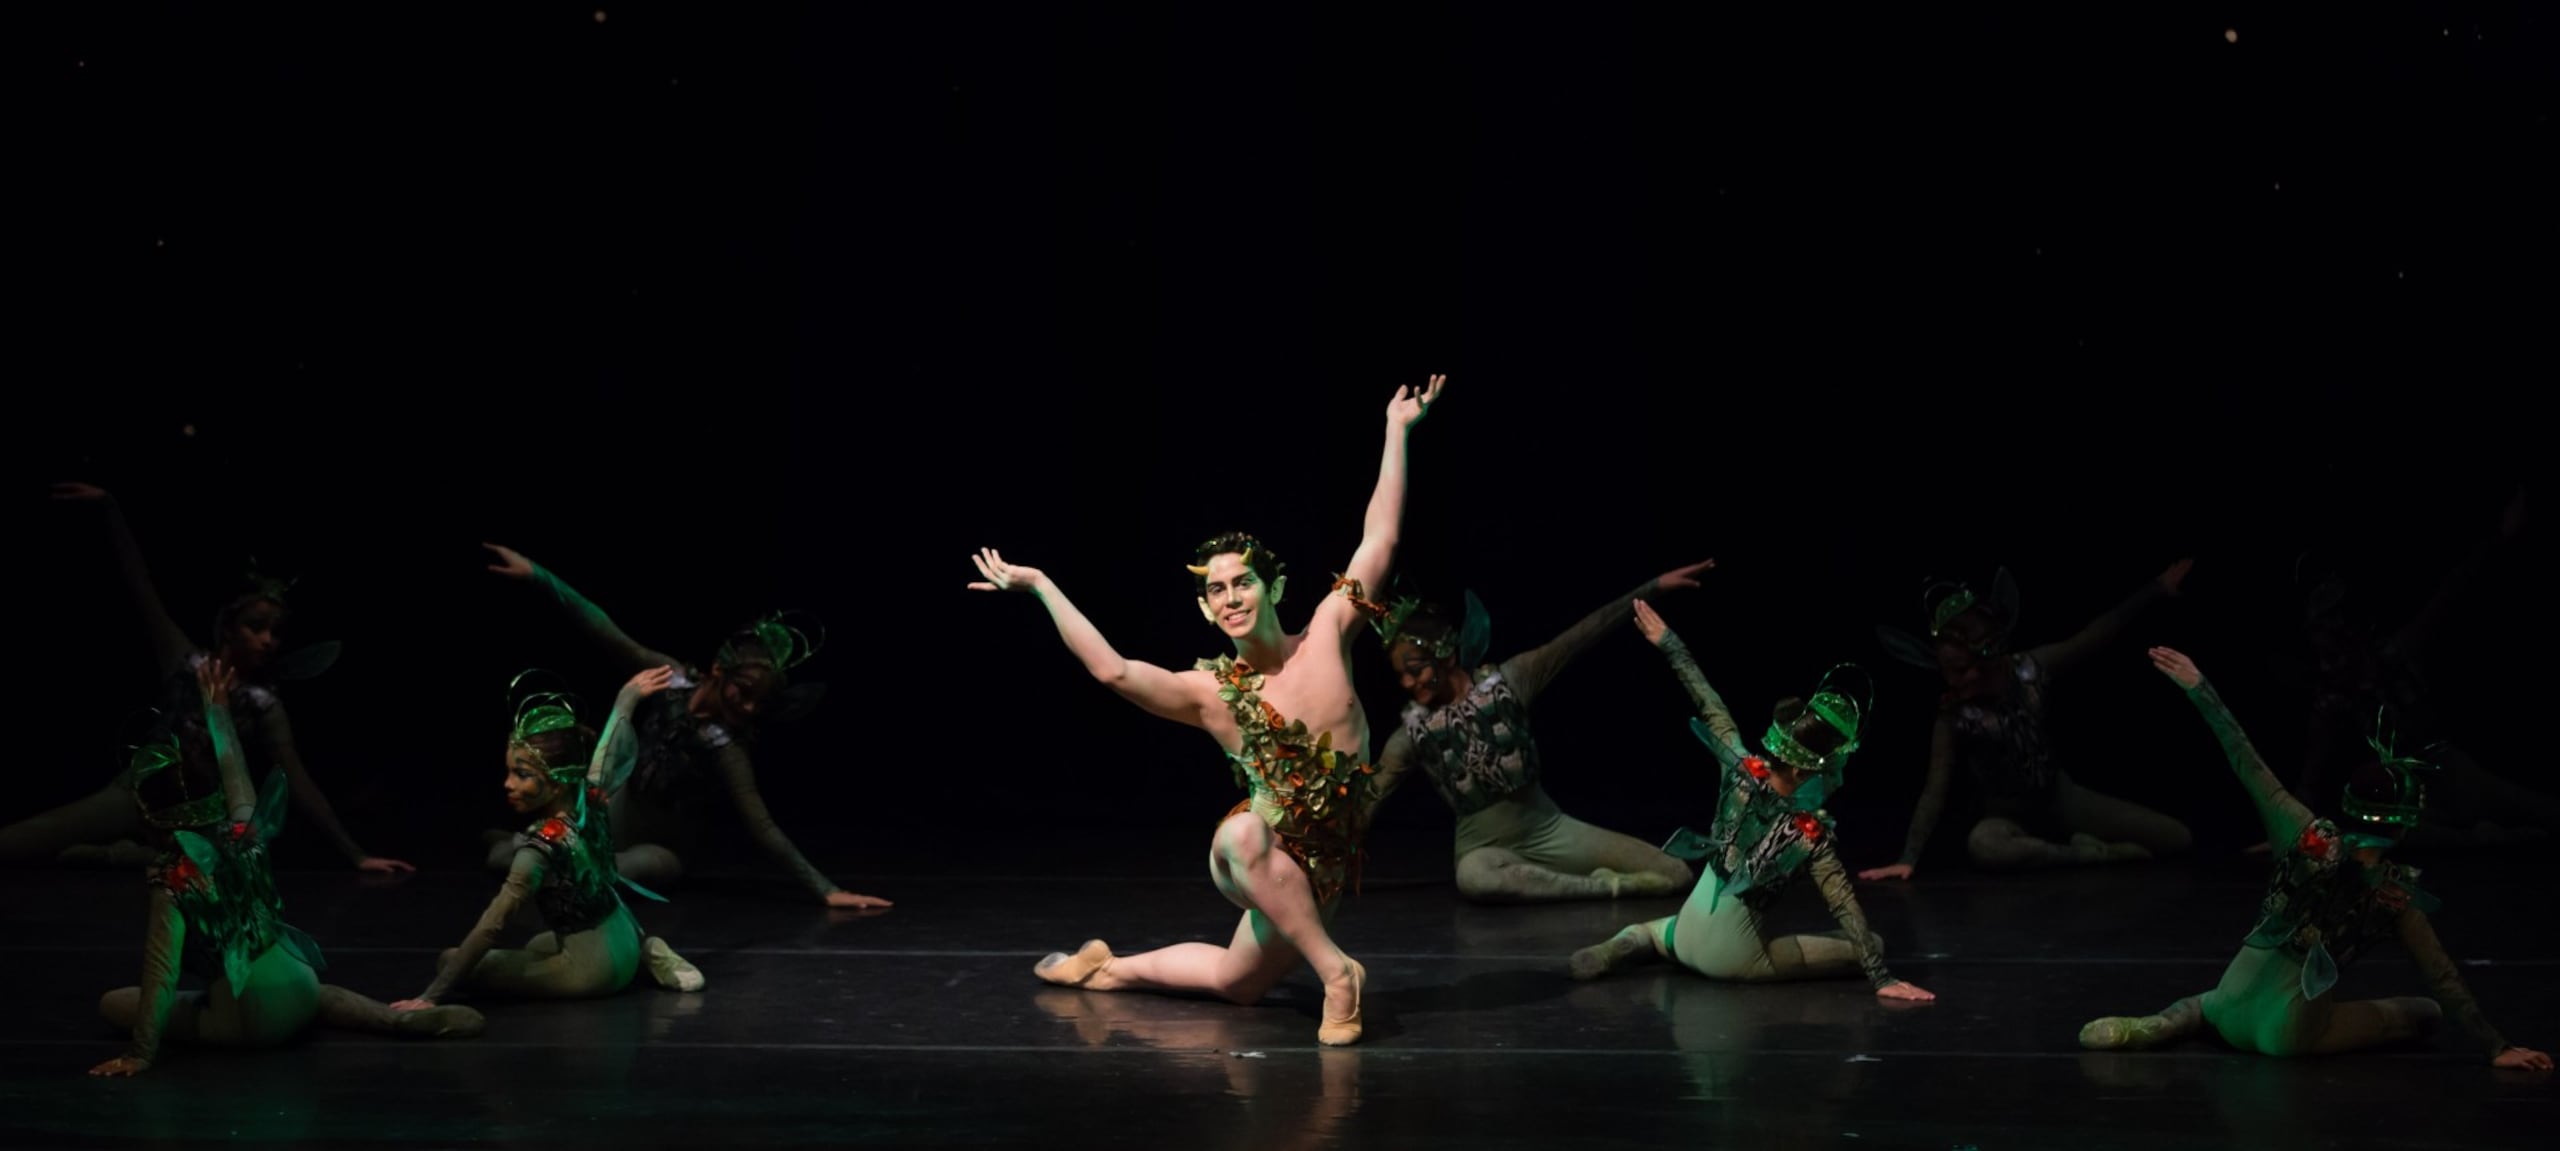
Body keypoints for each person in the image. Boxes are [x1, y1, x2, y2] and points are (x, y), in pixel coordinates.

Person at [967, 373, 1446, 1047]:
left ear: (1273, 585)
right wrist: (1042, 585)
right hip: (1250, 855)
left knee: (1237, 983)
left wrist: (1396, 431)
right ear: (1204, 607)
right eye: (1216, 590)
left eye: (1242, 581)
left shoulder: (1332, 629)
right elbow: (1113, 669)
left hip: (1323, 867)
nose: (1230, 597)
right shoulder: (1213, 692)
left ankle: (1106, 968)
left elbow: (1382, 537)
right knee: (1243, 833)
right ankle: (1339, 974)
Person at [2076, 646, 2549, 1070]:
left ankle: (2162, 1023)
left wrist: (2202, 689)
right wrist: (2495, 1045)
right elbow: (2442, 975)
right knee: (2422, 1013)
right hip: (2285, 1033)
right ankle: (2191, 1022)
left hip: (2230, 1004)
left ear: (2349, 803)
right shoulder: (2395, 895)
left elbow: (2245, 759)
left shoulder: (2305, 834)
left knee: (2210, 1001)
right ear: (2403, 824)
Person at [89, 658, 480, 1077]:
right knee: (311, 991)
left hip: (254, 1022)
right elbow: (235, 771)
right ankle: (394, 1018)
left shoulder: (174, 881)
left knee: (115, 1003)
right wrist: (218, 710)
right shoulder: (245, 832)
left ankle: (253, 1010)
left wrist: (141, 1053)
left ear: (150, 818)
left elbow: (160, 975)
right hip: (301, 983)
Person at [12, 483, 413, 873]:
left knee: (229, 864)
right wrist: (109, 508)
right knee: (18, 844)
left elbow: (299, 783)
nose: (268, 640)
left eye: (276, 632)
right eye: (257, 628)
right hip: (137, 794)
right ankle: (116, 851)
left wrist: (357, 856)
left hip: (192, 816)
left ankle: (119, 856)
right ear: (230, 629)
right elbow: (140, 585)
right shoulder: (187, 662)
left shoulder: (262, 702)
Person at [1567, 600, 1934, 1003]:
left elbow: (1710, 703)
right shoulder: (1807, 833)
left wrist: (1670, 643)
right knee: (1873, 943)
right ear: (1801, 771)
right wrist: (1882, 979)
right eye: (1827, 770)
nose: (1832, 778)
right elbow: (1843, 904)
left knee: (1654, 931)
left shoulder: (1739, 768)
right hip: (1732, 960)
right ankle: (1705, 950)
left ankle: (1625, 943)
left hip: (1685, 933)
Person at [480, 546, 889, 909]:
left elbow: (763, 827)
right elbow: (605, 630)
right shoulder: (670, 680)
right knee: (512, 855)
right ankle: (509, 844)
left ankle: (546, 859)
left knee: (625, 869)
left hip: (659, 848)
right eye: (742, 691)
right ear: (718, 671)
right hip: (612, 812)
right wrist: (539, 575)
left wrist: (825, 889)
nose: (746, 707)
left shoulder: (725, 747)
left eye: (757, 703)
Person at [1365, 560, 1714, 902]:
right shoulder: (1411, 735)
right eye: (1401, 676)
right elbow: (1368, 802)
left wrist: (1652, 588)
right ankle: (1605, 888)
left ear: (1446, 654)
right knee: (1474, 876)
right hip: (1485, 852)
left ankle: (1564, 881)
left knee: (1675, 873)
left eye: (1416, 670)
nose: (1408, 683)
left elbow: (1580, 636)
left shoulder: (1511, 680)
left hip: (1550, 831)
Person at [392, 669, 705, 1015]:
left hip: (595, 972)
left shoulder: (539, 850)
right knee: (539, 943)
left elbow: (491, 926)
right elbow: (608, 750)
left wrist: (431, 995)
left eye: (522, 775)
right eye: (510, 771)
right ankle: (649, 950)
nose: (508, 784)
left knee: (450, 959)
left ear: (556, 783)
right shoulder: (591, 798)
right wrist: (626, 697)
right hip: (624, 938)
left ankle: (633, 958)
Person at [1864, 560, 2194, 878]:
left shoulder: (2028, 670)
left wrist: (2156, 589)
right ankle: (2086, 854)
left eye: (1963, 671)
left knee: (2176, 838)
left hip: (2060, 798)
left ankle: (2075, 845)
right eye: (1950, 673)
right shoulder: (1953, 716)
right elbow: (1934, 790)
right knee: (1985, 846)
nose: (1957, 681)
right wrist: (1908, 858)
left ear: (1986, 657)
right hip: (2006, 815)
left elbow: (2092, 637)